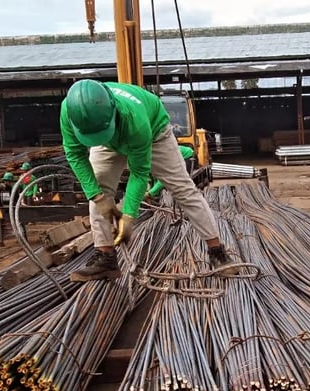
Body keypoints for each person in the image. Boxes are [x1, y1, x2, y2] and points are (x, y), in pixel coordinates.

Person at [60, 79, 235, 282]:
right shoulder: (70, 112)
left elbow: (139, 173)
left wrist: (128, 217)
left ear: (113, 110)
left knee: (184, 190)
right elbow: (74, 154)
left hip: (154, 134)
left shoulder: (135, 120)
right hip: (106, 137)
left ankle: (216, 251)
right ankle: (105, 257)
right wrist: (97, 196)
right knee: (98, 190)